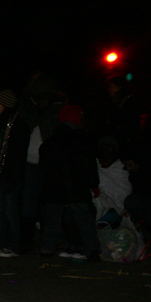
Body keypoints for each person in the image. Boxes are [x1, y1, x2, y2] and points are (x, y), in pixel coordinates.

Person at [38, 104, 101, 260]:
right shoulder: (82, 140)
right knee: (84, 220)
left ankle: (47, 248)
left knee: (52, 219)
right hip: (76, 187)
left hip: (54, 188)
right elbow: (89, 166)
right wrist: (94, 184)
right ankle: (91, 249)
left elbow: (43, 169)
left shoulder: (49, 142)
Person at [0, 90, 29, 258]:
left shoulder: (18, 125)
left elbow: (18, 155)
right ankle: (0, 243)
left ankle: (13, 245)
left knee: (10, 212)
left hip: (10, 177)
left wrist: (14, 178)